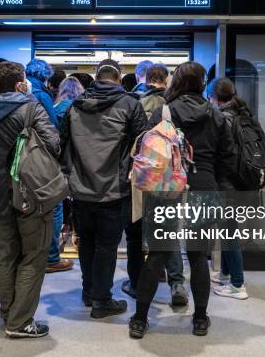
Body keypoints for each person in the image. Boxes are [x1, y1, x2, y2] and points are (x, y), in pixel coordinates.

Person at [128, 61, 236, 339]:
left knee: (158, 255)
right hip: (205, 187)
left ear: (177, 81)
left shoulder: (164, 112)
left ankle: (140, 318)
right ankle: (200, 318)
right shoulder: (215, 114)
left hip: (167, 189)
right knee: (199, 257)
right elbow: (227, 157)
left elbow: (148, 152)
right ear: (202, 83)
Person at [0, 61, 59, 338]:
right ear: (22, 82)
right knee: (33, 256)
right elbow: (54, 144)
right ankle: (20, 322)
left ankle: (9, 312)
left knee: (6, 256)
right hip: (31, 194)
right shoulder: (31, 108)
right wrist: (30, 97)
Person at [60, 59, 147, 318]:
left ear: (97, 77)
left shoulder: (74, 106)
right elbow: (142, 146)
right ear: (119, 79)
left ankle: (88, 292)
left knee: (85, 242)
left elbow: (60, 144)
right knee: (107, 246)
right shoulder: (131, 105)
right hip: (114, 189)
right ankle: (101, 300)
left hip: (79, 189)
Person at [122, 63, 189, 307]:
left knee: (136, 232)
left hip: (141, 177)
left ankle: (138, 282)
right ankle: (176, 283)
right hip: (170, 177)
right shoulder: (172, 106)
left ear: (145, 78)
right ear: (166, 80)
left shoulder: (133, 102)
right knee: (167, 231)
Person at [205, 77, 251, 300]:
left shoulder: (222, 118)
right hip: (241, 182)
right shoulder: (243, 113)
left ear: (212, 97)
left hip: (227, 185)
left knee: (229, 232)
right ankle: (224, 273)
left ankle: (237, 284)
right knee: (226, 229)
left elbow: (222, 155)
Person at [26, 58, 73, 273]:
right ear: (45, 76)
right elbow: (53, 129)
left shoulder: (20, 93)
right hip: (45, 160)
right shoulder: (42, 96)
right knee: (55, 207)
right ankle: (52, 258)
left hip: (25, 160)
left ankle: (32, 255)